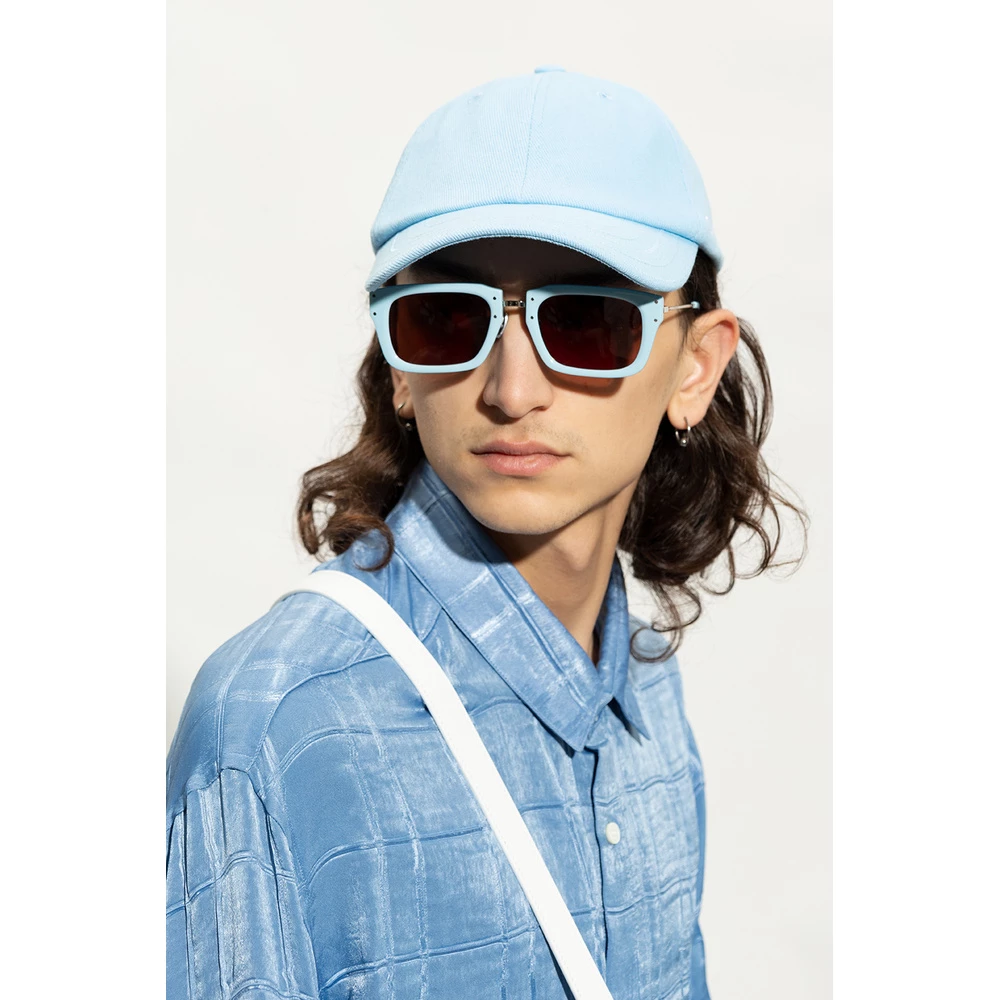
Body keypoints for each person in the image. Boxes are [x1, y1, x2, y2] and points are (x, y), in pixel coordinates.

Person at [167, 66, 805, 1000]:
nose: (512, 389)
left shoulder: (647, 687)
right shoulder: (278, 719)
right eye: (446, 319)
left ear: (696, 367)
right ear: (396, 365)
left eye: (586, 322)